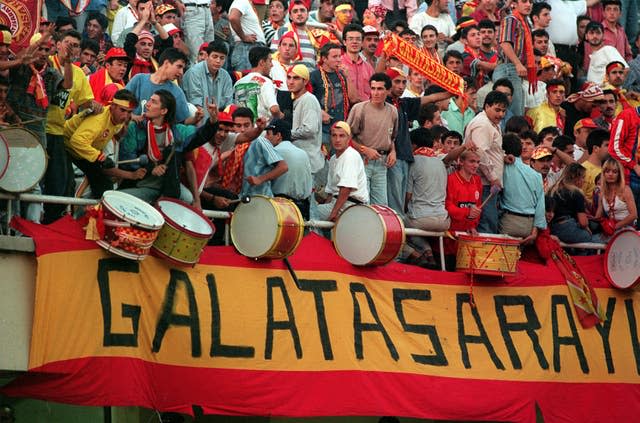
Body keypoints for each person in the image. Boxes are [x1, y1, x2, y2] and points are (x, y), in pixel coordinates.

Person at [118, 90, 220, 203]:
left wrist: (213, 120)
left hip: (170, 187)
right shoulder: (136, 129)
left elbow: (200, 136)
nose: (147, 104)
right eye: (149, 100)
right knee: (118, 199)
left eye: (153, 102)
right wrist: (151, 169)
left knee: (188, 199)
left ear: (164, 111)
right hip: (142, 185)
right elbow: (128, 161)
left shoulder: (176, 132)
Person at [63, 90, 140, 198]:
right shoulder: (99, 120)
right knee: (66, 184)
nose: (125, 116)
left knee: (105, 186)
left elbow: (116, 134)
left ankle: (96, 212)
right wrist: (99, 156)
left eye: (129, 112)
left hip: (83, 151)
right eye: (122, 110)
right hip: (64, 145)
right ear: (112, 106)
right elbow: (77, 141)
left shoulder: (118, 119)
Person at [347, 73, 398, 206]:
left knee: (381, 206)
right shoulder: (359, 109)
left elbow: (392, 138)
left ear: (388, 91)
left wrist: (393, 151)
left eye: (380, 89)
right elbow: (346, 138)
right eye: (373, 88)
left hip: (382, 162)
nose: (375, 93)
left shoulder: (393, 111)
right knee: (363, 203)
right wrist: (364, 149)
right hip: (363, 160)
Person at [464, 90, 508, 233]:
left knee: (489, 221)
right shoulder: (483, 124)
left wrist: (504, 156)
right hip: (484, 183)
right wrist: (493, 178)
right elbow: (479, 154)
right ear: (486, 106)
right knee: (487, 223)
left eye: (503, 111)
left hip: (488, 183)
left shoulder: (492, 123)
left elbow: (491, 150)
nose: (501, 114)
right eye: (497, 110)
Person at [316, 121, 369, 222]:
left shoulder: (350, 156)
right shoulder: (332, 159)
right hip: (338, 203)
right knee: (315, 212)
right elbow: (331, 192)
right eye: (334, 135)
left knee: (311, 213)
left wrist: (333, 213)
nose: (337, 139)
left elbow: (346, 189)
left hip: (351, 206)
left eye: (342, 136)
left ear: (348, 138)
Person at [125, 48, 194, 124]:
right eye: (179, 66)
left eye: (183, 68)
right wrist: (133, 117)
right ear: (166, 63)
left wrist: (195, 119)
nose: (181, 72)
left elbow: (182, 122)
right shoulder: (138, 80)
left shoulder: (177, 92)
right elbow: (120, 106)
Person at [500, 133, 547, 243]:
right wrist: (535, 231)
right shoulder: (536, 175)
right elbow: (540, 206)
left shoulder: (502, 168)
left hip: (508, 221)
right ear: (520, 149)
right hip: (529, 225)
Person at [493, 0, 535, 117]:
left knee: (516, 112)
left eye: (531, 2)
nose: (528, 5)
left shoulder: (525, 23)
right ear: (514, 4)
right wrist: (518, 64)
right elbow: (505, 43)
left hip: (514, 70)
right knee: (511, 113)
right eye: (524, 1)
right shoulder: (511, 19)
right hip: (508, 68)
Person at [265, 119, 313, 220]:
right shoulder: (303, 153)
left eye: (268, 134)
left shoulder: (273, 152)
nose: (265, 138)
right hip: (301, 209)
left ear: (278, 136)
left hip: (278, 209)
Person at [444, 149, 483, 268]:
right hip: (448, 240)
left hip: (466, 241)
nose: (476, 165)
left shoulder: (477, 180)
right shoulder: (450, 180)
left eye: (478, 162)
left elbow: (478, 207)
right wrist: (467, 212)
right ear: (460, 162)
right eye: (472, 161)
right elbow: (447, 207)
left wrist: (472, 225)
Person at [549, 162, 605, 244]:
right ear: (576, 178)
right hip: (568, 228)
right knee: (597, 238)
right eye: (583, 177)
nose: (584, 181)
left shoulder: (552, 190)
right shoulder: (576, 193)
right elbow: (583, 222)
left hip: (553, 228)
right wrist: (587, 228)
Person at [287, 64, 324, 182]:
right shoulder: (297, 99)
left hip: (309, 160)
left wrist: (287, 134)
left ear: (305, 81)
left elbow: (310, 129)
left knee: (307, 198)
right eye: (289, 77)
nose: (291, 82)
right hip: (300, 160)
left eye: (296, 78)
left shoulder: (308, 99)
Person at [310, 42, 352, 145]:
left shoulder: (342, 75)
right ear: (324, 58)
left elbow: (354, 98)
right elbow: (306, 100)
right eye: (334, 57)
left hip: (340, 127)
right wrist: (319, 111)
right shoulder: (314, 76)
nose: (338, 59)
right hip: (322, 128)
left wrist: (348, 77)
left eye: (339, 56)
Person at [182, 40, 234, 119]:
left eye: (222, 58)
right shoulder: (194, 72)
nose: (218, 61)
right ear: (207, 56)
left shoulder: (226, 76)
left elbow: (228, 105)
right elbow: (196, 104)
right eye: (215, 56)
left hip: (218, 123)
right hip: (195, 121)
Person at [234, 46, 283, 120]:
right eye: (270, 61)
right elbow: (274, 109)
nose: (272, 65)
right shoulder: (266, 82)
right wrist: (281, 116)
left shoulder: (238, 83)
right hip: (262, 129)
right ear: (262, 62)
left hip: (242, 129)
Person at [595, 158, 638, 233]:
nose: (610, 174)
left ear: (619, 174)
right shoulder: (602, 192)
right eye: (607, 171)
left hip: (627, 229)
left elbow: (633, 215)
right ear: (603, 173)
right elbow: (598, 216)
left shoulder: (625, 190)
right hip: (610, 229)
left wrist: (614, 226)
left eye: (614, 172)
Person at [228, 0, 266, 71]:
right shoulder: (242, 1)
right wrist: (244, 37)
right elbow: (233, 17)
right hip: (246, 48)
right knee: (247, 79)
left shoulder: (247, 3)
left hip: (251, 48)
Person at [341, 24, 374, 104]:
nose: (354, 42)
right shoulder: (339, 64)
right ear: (344, 42)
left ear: (362, 42)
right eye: (351, 39)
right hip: (344, 111)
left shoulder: (368, 67)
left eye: (358, 39)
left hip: (366, 111)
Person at [176, 0, 216, 64]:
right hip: (191, 8)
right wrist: (177, 2)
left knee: (210, 52)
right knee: (196, 56)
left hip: (207, 8)